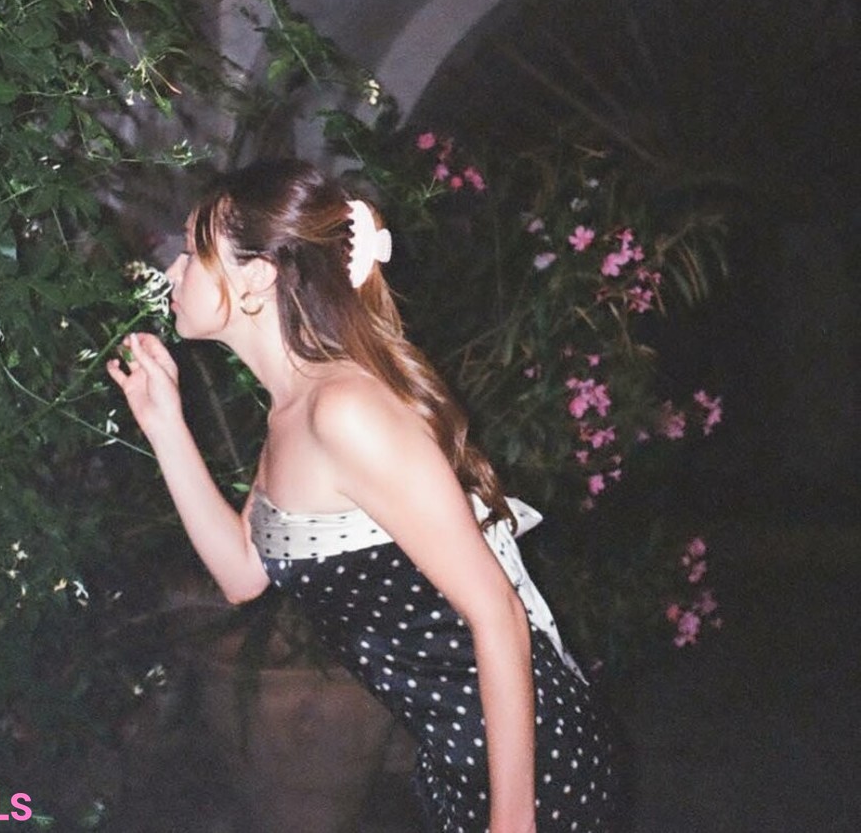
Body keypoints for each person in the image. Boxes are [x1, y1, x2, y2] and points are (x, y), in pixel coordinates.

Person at [107, 159, 619, 833]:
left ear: (257, 275)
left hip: (532, 768)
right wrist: (164, 425)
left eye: (193, 253)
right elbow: (242, 573)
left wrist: (513, 822)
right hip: (454, 758)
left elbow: (496, 611)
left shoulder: (345, 411)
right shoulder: (292, 412)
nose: (172, 271)